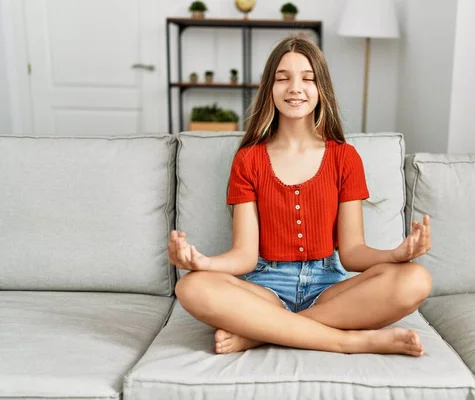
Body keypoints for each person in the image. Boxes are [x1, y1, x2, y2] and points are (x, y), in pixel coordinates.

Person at [169, 35, 432, 356]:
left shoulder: (344, 157)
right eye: (283, 79)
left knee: (415, 279)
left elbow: (352, 253)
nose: (295, 88)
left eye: (307, 79)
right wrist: (202, 263)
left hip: (329, 288)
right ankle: (348, 341)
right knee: (192, 286)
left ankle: (263, 332)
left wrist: (396, 254)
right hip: (265, 287)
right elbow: (244, 256)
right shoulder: (249, 159)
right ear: (270, 89)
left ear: (321, 90)